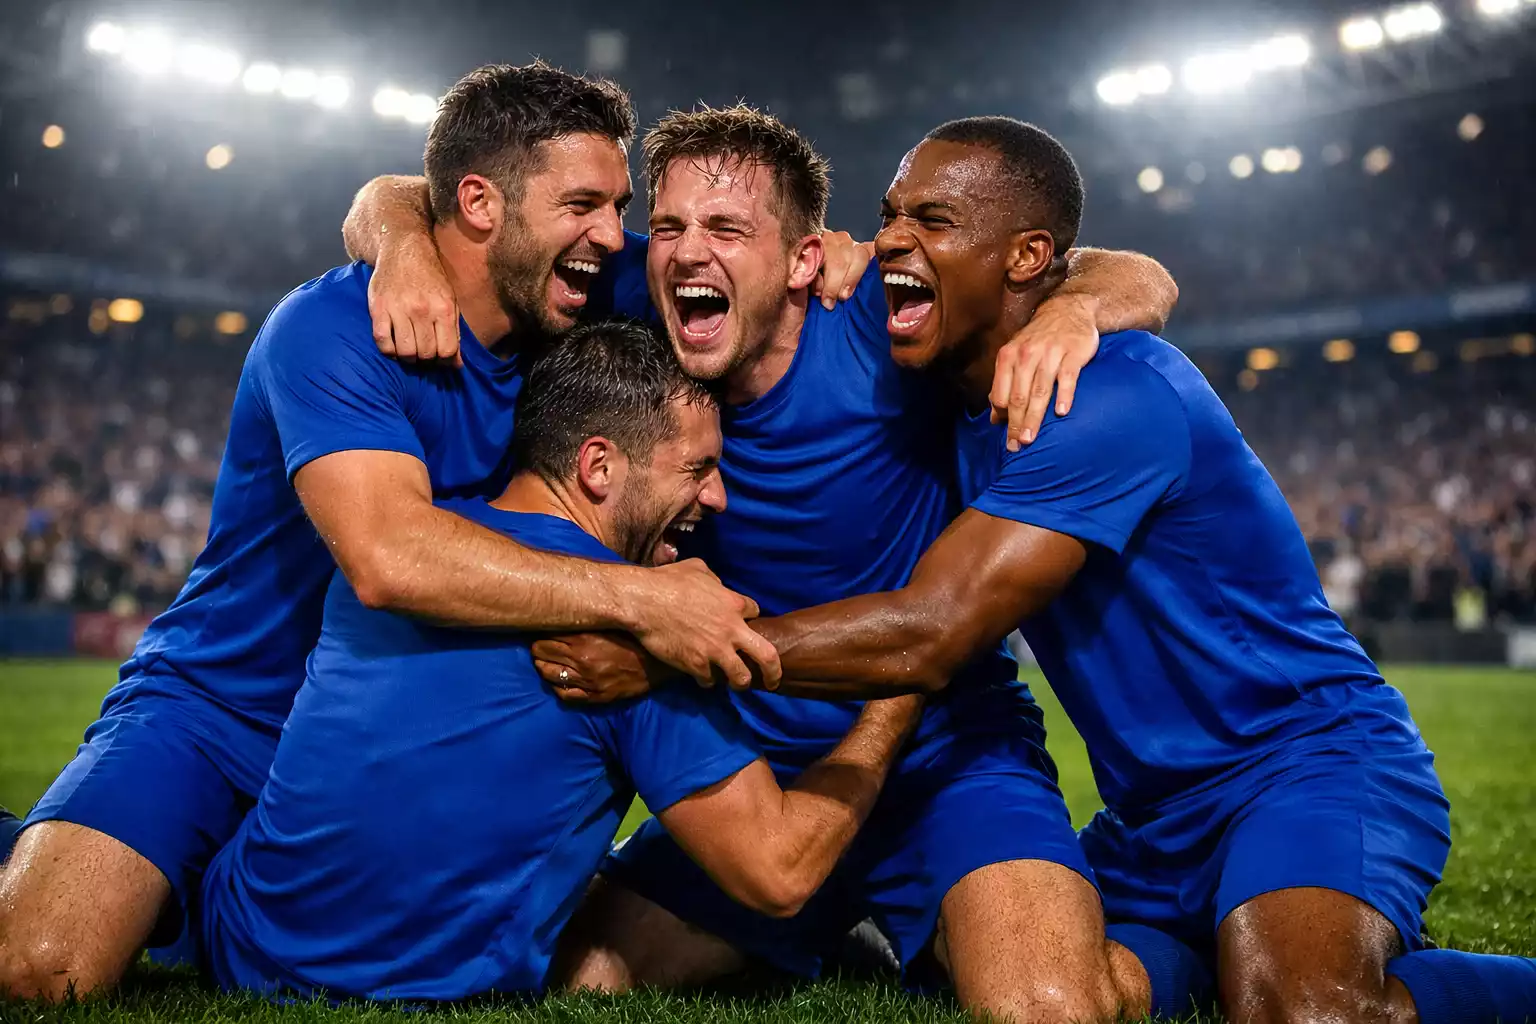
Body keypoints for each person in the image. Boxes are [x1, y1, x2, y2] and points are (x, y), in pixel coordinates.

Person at [539, 116, 1536, 1024]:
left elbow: (936, 625)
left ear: (801, 258)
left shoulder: (1098, 393)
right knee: (583, 974)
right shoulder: (942, 376)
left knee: (1286, 1009)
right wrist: (392, 222)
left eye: (931, 219)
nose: (891, 242)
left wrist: (671, 650)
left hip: (1285, 761)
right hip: (1142, 814)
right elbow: (467, 213)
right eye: (889, 219)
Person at [346, 105, 1181, 1021]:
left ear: (805, 260)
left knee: (1047, 1008)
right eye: (668, 226)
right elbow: (411, 198)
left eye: (727, 229)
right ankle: (842, 939)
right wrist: (400, 245)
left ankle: (1178, 946)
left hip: (944, 752)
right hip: (767, 773)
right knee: (579, 977)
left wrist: (1075, 307)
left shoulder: (882, 316)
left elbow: (1131, 269)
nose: (686, 251)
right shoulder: (642, 292)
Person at [0, 62, 779, 1001]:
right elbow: (389, 557)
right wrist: (649, 599)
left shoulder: (574, 287)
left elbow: (740, 268)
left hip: (380, 715)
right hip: (220, 708)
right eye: (586, 204)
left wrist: (859, 270)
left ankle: (171, 889)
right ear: (484, 205)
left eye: (618, 206)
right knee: (44, 968)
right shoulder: (330, 327)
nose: (616, 237)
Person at [199, 319, 925, 1003]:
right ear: (598, 466)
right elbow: (779, 871)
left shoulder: (423, 545)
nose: (718, 496)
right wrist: (900, 697)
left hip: (233, 943)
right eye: (698, 468)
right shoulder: (642, 638)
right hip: (400, 993)